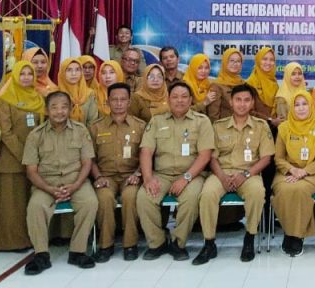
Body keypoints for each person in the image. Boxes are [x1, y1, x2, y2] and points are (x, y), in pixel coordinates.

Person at [22, 91, 98, 275]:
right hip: (46, 183)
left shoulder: (80, 130)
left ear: (70, 109)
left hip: (76, 180)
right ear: (46, 110)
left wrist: (76, 185)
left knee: (90, 202)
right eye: (54, 107)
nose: (59, 111)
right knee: (35, 207)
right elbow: (31, 171)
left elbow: (87, 163)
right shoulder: (35, 135)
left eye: (64, 107)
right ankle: (41, 254)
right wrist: (48, 188)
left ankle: (77, 251)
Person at [196, 83, 274, 264]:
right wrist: (222, 177)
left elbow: (266, 159)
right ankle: (209, 243)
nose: (242, 104)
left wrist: (245, 175)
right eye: (238, 100)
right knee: (207, 194)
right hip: (221, 173)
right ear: (231, 102)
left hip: (249, 173)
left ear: (252, 103)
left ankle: (249, 238)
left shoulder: (261, 126)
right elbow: (212, 157)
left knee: (257, 193)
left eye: (247, 100)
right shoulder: (218, 126)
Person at [137, 82, 214, 261]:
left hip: (192, 175)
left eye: (184, 96)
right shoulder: (157, 121)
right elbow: (146, 151)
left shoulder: (202, 121)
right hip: (161, 174)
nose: (180, 100)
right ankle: (157, 243)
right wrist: (148, 178)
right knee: (144, 197)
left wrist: (186, 178)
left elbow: (205, 155)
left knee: (191, 198)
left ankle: (178, 243)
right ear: (168, 99)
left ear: (191, 99)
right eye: (175, 97)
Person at [89, 82, 145, 262]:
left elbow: (147, 156)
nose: (119, 103)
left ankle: (130, 244)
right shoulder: (96, 127)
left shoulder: (140, 126)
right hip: (106, 176)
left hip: (132, 176)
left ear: (129, 102)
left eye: (123, 99)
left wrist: (138, 174)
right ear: (107, 102)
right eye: (114, 99)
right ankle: (106, 245)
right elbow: (89, 158)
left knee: (130, 197)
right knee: (105, 198)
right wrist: (98, 177)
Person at [0, 60, 45, 251]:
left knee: (28, 203)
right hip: (12, 160)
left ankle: (31, 238)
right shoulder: (6, 99)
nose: (26, 77)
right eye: (22, 74)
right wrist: (25, 156)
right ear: (15, 76)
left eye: (29, 74)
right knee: (11, 205)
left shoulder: (38, 98)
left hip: (36, 161)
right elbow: (5, 132)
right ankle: (10, 242)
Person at [272, 90, 315, 256]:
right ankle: (289, 231)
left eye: (305, 104)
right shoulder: (283, 128)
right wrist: (292, 170)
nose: (301, 108)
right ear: (292, 108)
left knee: (300, 190)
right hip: (287, 172)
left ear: (311, 106)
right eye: (297, 105)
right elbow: (278, 158)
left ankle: (297, 236)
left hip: (312, 172)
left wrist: (304, 171)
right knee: (283, 190)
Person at [199, 48, 244, 121]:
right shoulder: (216, 86)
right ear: (225, 62)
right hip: (225, 127)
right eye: (231, 60)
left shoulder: (243, 84)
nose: (235, 64)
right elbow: (213, 116)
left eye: (238, 61)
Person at [58, 57, 99, 124]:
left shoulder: (90, 94)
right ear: (62, 72)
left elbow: (92, 121)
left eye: (77, 70)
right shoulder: (56, 95)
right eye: (69, 70)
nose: (74, 74)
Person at [246, 46, 280, 126]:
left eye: (271, 60)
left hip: (274, 129)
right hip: (256, 128)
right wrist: (270, 120)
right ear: (258, 60)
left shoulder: (274, 83)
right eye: (264, 59)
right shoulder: (250, 83)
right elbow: (248, 111)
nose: (268, 62)